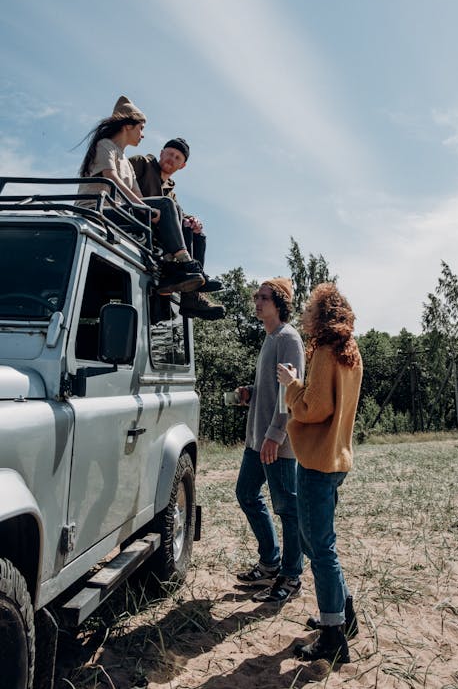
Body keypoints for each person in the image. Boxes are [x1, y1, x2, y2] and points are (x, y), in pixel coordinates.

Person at [277, 282, 363, 663]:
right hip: (336, 459)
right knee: (315, 542)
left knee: (320, 548)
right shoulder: (350, 352)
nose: (306, 314)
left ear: (320, 314)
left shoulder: (327, 352)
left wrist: (291, 385)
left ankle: (332, 636)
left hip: (315, 460)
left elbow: (313, 409)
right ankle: (343, 618)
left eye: (311, 308)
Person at [77, 96, 205, 296]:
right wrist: (144, 208)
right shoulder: (105, 146)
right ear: (128, 126)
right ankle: (184, 261)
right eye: (141, 128)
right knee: (164, 203)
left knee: (171, 207)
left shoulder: (127, 162)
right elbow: (112, 180)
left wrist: (148, 208)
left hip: (117, 212)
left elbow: (137, 194)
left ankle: (177, 271)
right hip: (96, 211)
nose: (143, 135)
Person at [235, 278, 305, 604]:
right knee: (246, 493)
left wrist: (275, 436)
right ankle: (269, 563)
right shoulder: (270, 338)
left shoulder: (288, 338)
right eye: (256, 297)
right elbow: (273, 389)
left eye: (263, 297)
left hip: (275, 441)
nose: (257, 301)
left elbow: (289, 393)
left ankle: (291, 577)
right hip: (258, 438)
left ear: (279, 303)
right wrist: (250, 394)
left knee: (287, 508)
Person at [130, 140, 224, 321]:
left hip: (155, 228)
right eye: (170, 153)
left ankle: (191, 294)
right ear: (161, 152)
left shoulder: (170, 191)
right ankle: (188, 268)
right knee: (171, 210)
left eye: (177, 157)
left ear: (182, 165)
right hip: (135, 218)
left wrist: (192, 220)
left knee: (195, 232)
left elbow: (177, 213)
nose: (172, 159)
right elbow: (121, 182)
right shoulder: (142, 163)